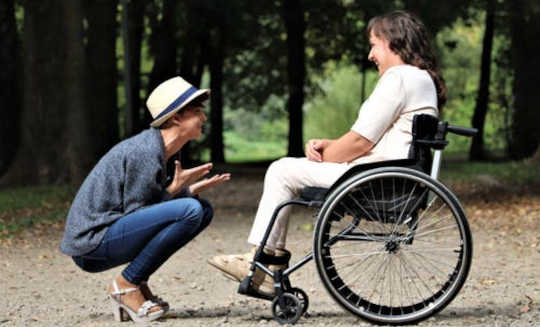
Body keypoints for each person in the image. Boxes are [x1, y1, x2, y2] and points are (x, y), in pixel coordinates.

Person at [208, 10, 446, 294]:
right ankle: (266, 262)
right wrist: (330, 144)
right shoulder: (422, 79)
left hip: (376, 178)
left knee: (282, 170)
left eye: (373, 44)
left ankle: (262, 264)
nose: (370, 55)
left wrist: (324, 155)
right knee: (287, 169)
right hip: (391, 173)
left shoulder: (399, 77)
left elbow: (360, 143)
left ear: (392, 41)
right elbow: (374, 139)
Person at [60, 76, 230, 322]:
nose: (203, 118)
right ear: (176, 118)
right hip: (91, 243)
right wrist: (176, 191)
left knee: (202, 209)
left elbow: (144, 210)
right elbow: (138, 213)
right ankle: (126, 285)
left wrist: (184, 191)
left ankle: (135, 281)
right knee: (191, 210)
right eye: (197, 112)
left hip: (108, 234)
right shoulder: (145, 152)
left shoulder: (160, 150)